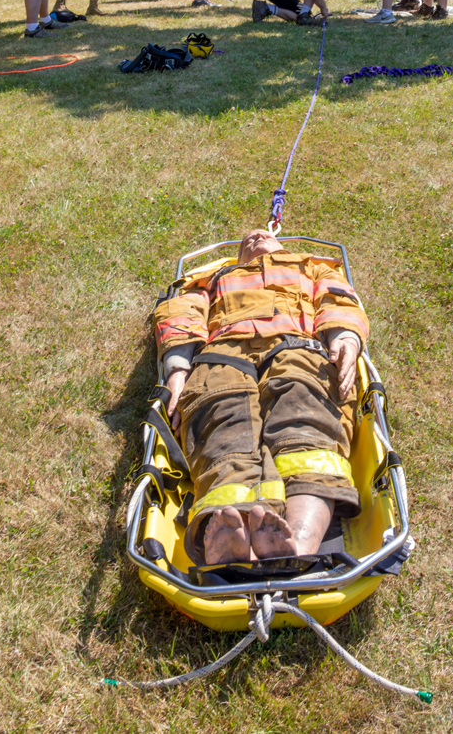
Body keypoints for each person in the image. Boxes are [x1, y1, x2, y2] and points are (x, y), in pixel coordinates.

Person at [153, 227, 368, 565]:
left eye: (262, 235)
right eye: (246, 241)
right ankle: (233, 539)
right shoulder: (210, 279)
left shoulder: (311, 267)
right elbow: (180, 315)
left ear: (281, 244)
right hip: (220, 356)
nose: (255, 237)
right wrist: (177, 370)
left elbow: (338, 299)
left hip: (298, 348)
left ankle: (297, 542)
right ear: (236, 257)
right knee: (222, 429)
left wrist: (345, 338)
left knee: (306, 427)